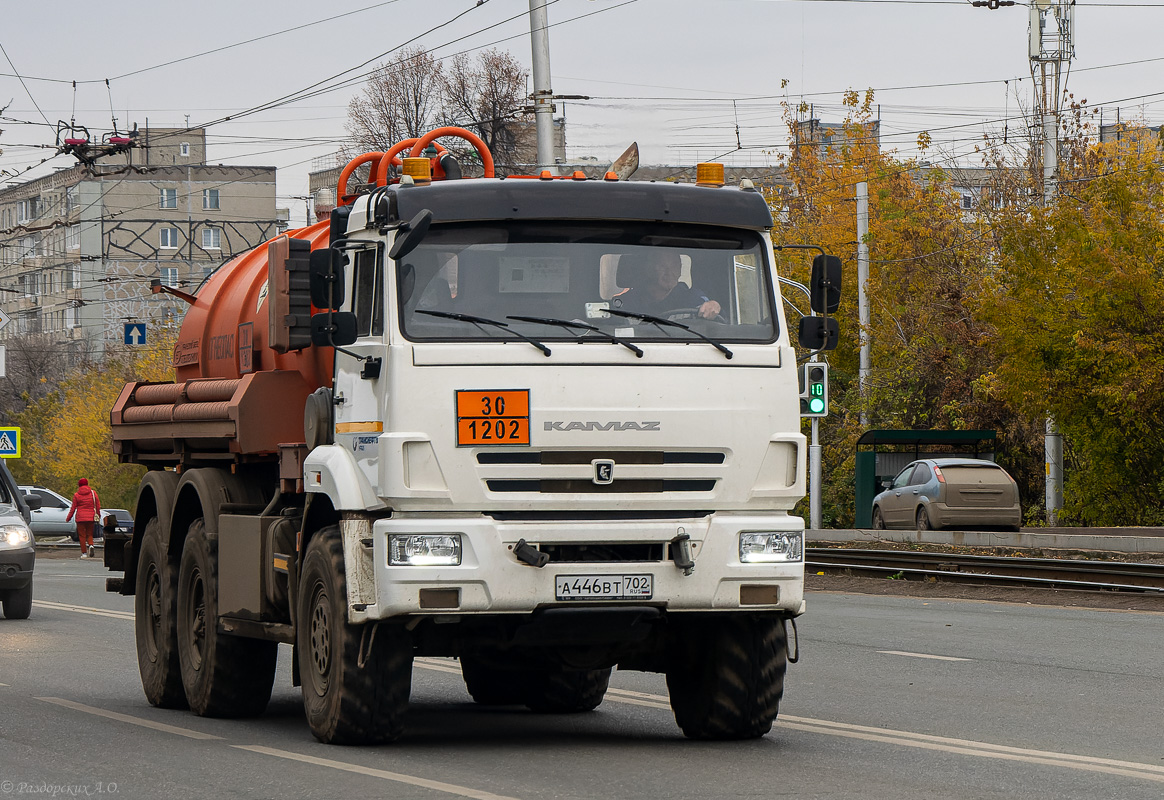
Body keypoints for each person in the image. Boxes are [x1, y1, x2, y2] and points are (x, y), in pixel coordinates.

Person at [614, 249, 722, 320]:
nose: (669, 273)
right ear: (649, 269)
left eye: (675, 266)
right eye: (662, 266)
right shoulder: (626, 302)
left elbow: (719, 319)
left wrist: (713, 306)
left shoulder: (692, 297)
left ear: (680, 270)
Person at [65, 478, 101, 559]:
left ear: (79, 485)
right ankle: (91, 545)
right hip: (90, 517)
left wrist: (68, 518)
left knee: (82, 536)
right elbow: (98, 506)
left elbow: (73, 508)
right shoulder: (93, 493)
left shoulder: (76, 495)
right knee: (90, 534)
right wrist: (98, 515)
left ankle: (84, 553)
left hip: (80, 518)